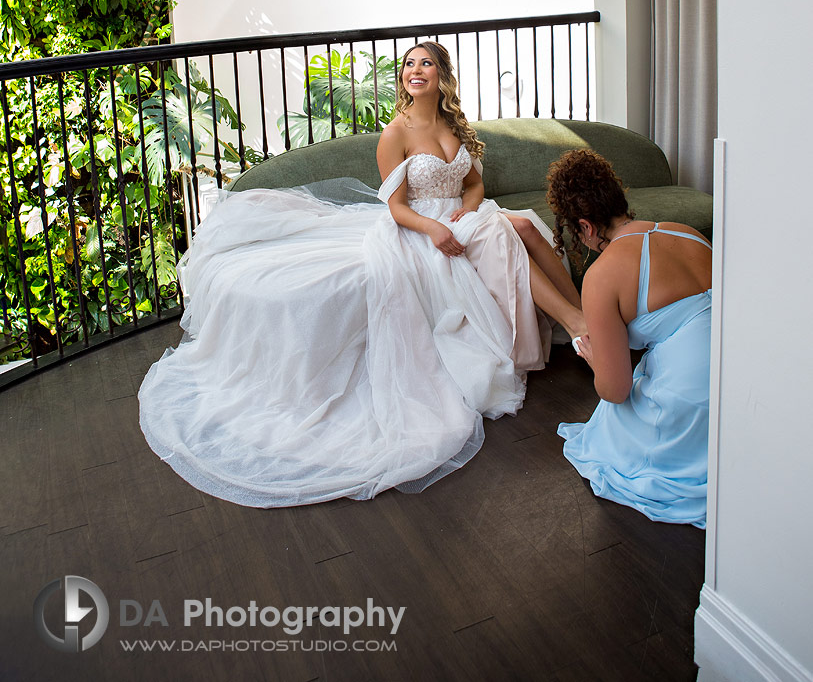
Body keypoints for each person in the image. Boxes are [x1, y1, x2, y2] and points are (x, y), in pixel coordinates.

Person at [138, 42, 584, 507]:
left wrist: (467, 213)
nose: (415, 71)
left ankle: (579, 312)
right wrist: (434, 227)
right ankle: (578, 325)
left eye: (426, 63)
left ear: (442, 76)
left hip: (463, 216)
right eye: (409, 64)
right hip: (418, 228)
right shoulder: (396, 133)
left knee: (527, 225)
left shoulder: (454, 124)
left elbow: (473, 184)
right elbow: (394, 208)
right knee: (508, 232)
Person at [547, 148, 712, 528]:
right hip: (741, 381)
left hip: (692, 405)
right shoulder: (687, 233)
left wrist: (594, 359)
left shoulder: (602, 275)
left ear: (586, 226)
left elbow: (615, 389)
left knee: (608, 423)